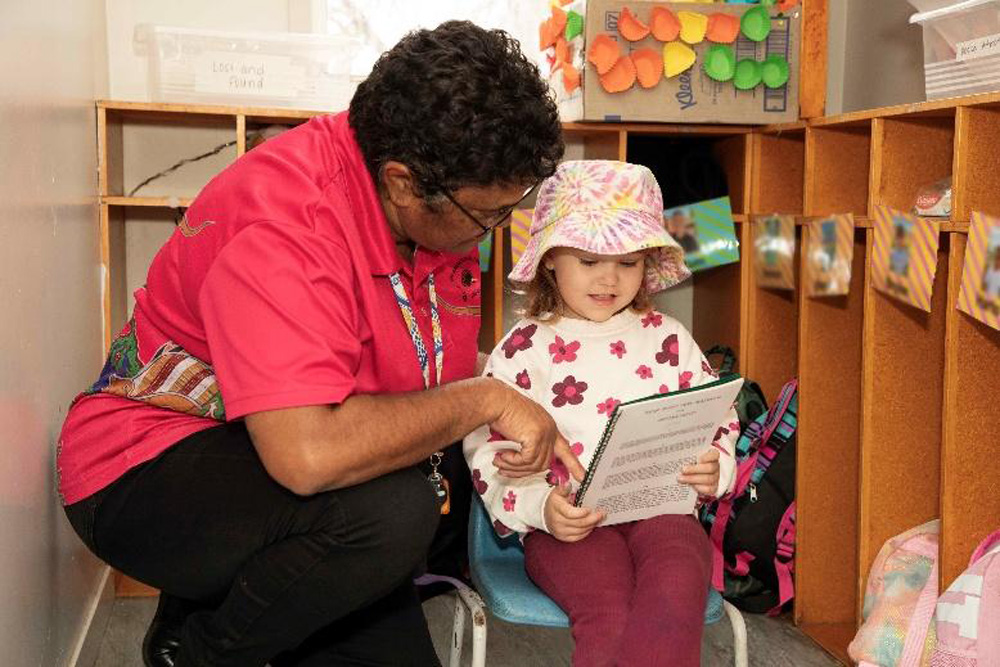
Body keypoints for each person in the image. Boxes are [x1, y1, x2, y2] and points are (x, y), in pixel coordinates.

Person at [57, 21, 583, 667]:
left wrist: (531, 386)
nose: (497, 228)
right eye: (489, 214)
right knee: (397, 511)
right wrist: (487, 398)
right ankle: (202, 651)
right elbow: (307, 456)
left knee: (427, 501)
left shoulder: (420, 192)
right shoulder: (290, 225)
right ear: (402, 183)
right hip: (149, 465)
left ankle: (215, 600)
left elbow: (420, 360)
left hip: (282, 459)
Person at [463, 160, 740, 667]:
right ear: (551, 258)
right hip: (567, 525)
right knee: (609, 617)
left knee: (674, 594)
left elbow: (716, 417)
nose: (609, 278)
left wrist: (717, 466)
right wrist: (540, 508)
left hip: (663, 513)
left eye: (628, 263)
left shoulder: (668, 337)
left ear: (647, 263)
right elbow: (490, 449)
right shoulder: (526, 347)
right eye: (589, 260)